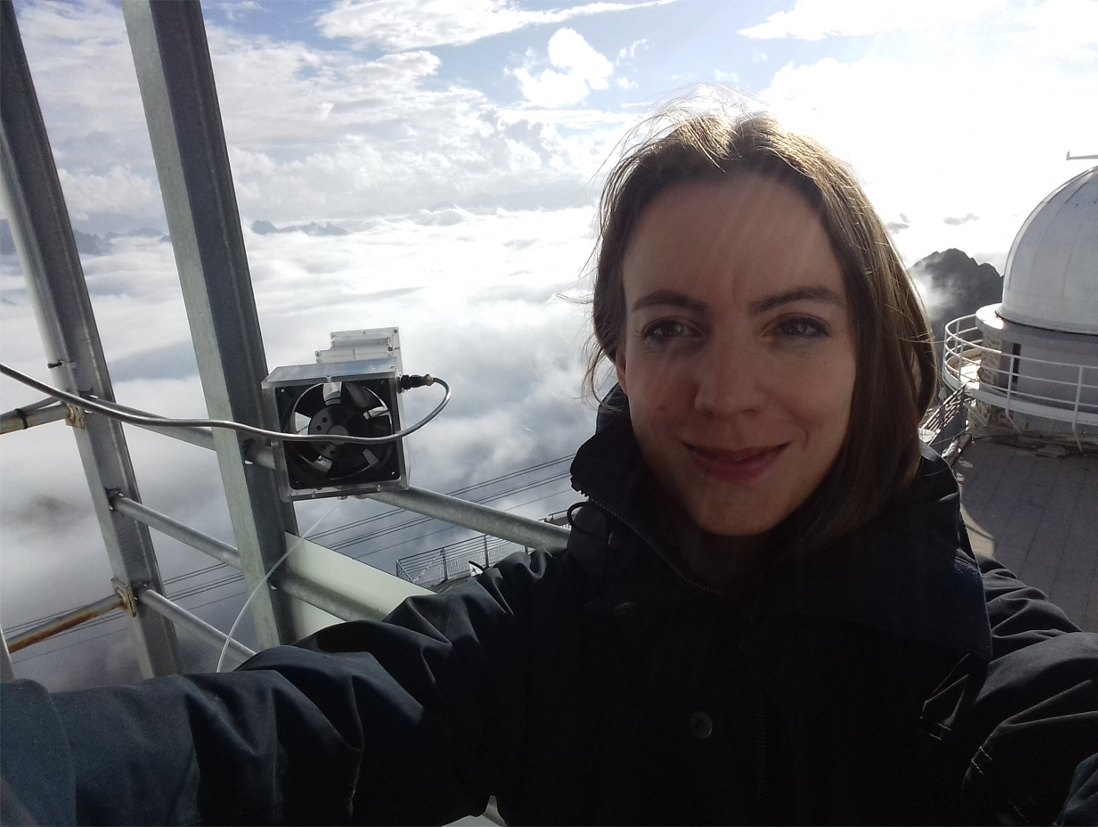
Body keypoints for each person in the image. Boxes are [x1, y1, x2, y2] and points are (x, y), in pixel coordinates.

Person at [2, 109, 1096, 826]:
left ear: (877, 355)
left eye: (796, 326)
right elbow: (275, 736)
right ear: (618, 351)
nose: (725, 392)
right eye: (673, 328)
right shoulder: (536, 637)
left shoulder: (972, 657)